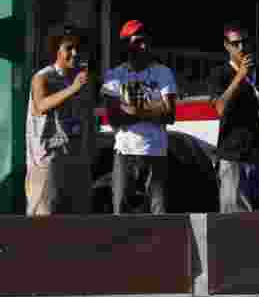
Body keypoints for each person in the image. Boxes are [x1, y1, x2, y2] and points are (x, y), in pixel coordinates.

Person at [208, 22, 259, 213]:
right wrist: (240, 76)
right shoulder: (220, 74)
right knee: (235, 223)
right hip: (234, 157)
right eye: (236, 44)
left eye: (245, 42)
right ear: (227, 45)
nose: (242, 48)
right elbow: (220, 108)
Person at [101, 21, 177, 214]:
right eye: (138, 42)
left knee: (158, 212)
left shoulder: (163, 72)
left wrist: (133, 110)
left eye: (146, 41)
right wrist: (154, 109)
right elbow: (114, 118)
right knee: (121, 210)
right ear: (126, 44)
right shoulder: (115, 75)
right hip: (125, 152)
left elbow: (169, 115)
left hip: (156, 152)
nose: (144, 46)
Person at [25, 24, 97, 216]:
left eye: (78, 49)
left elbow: (87, 116)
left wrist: (90, 149)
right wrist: (72, 89)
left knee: (77, 220)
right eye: (68, 48)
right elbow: (40, 106)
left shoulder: (82, 81)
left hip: (77, 159)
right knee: (44, 220)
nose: (75, 53)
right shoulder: (43, 77)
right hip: (48, 161)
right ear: (56, 50)